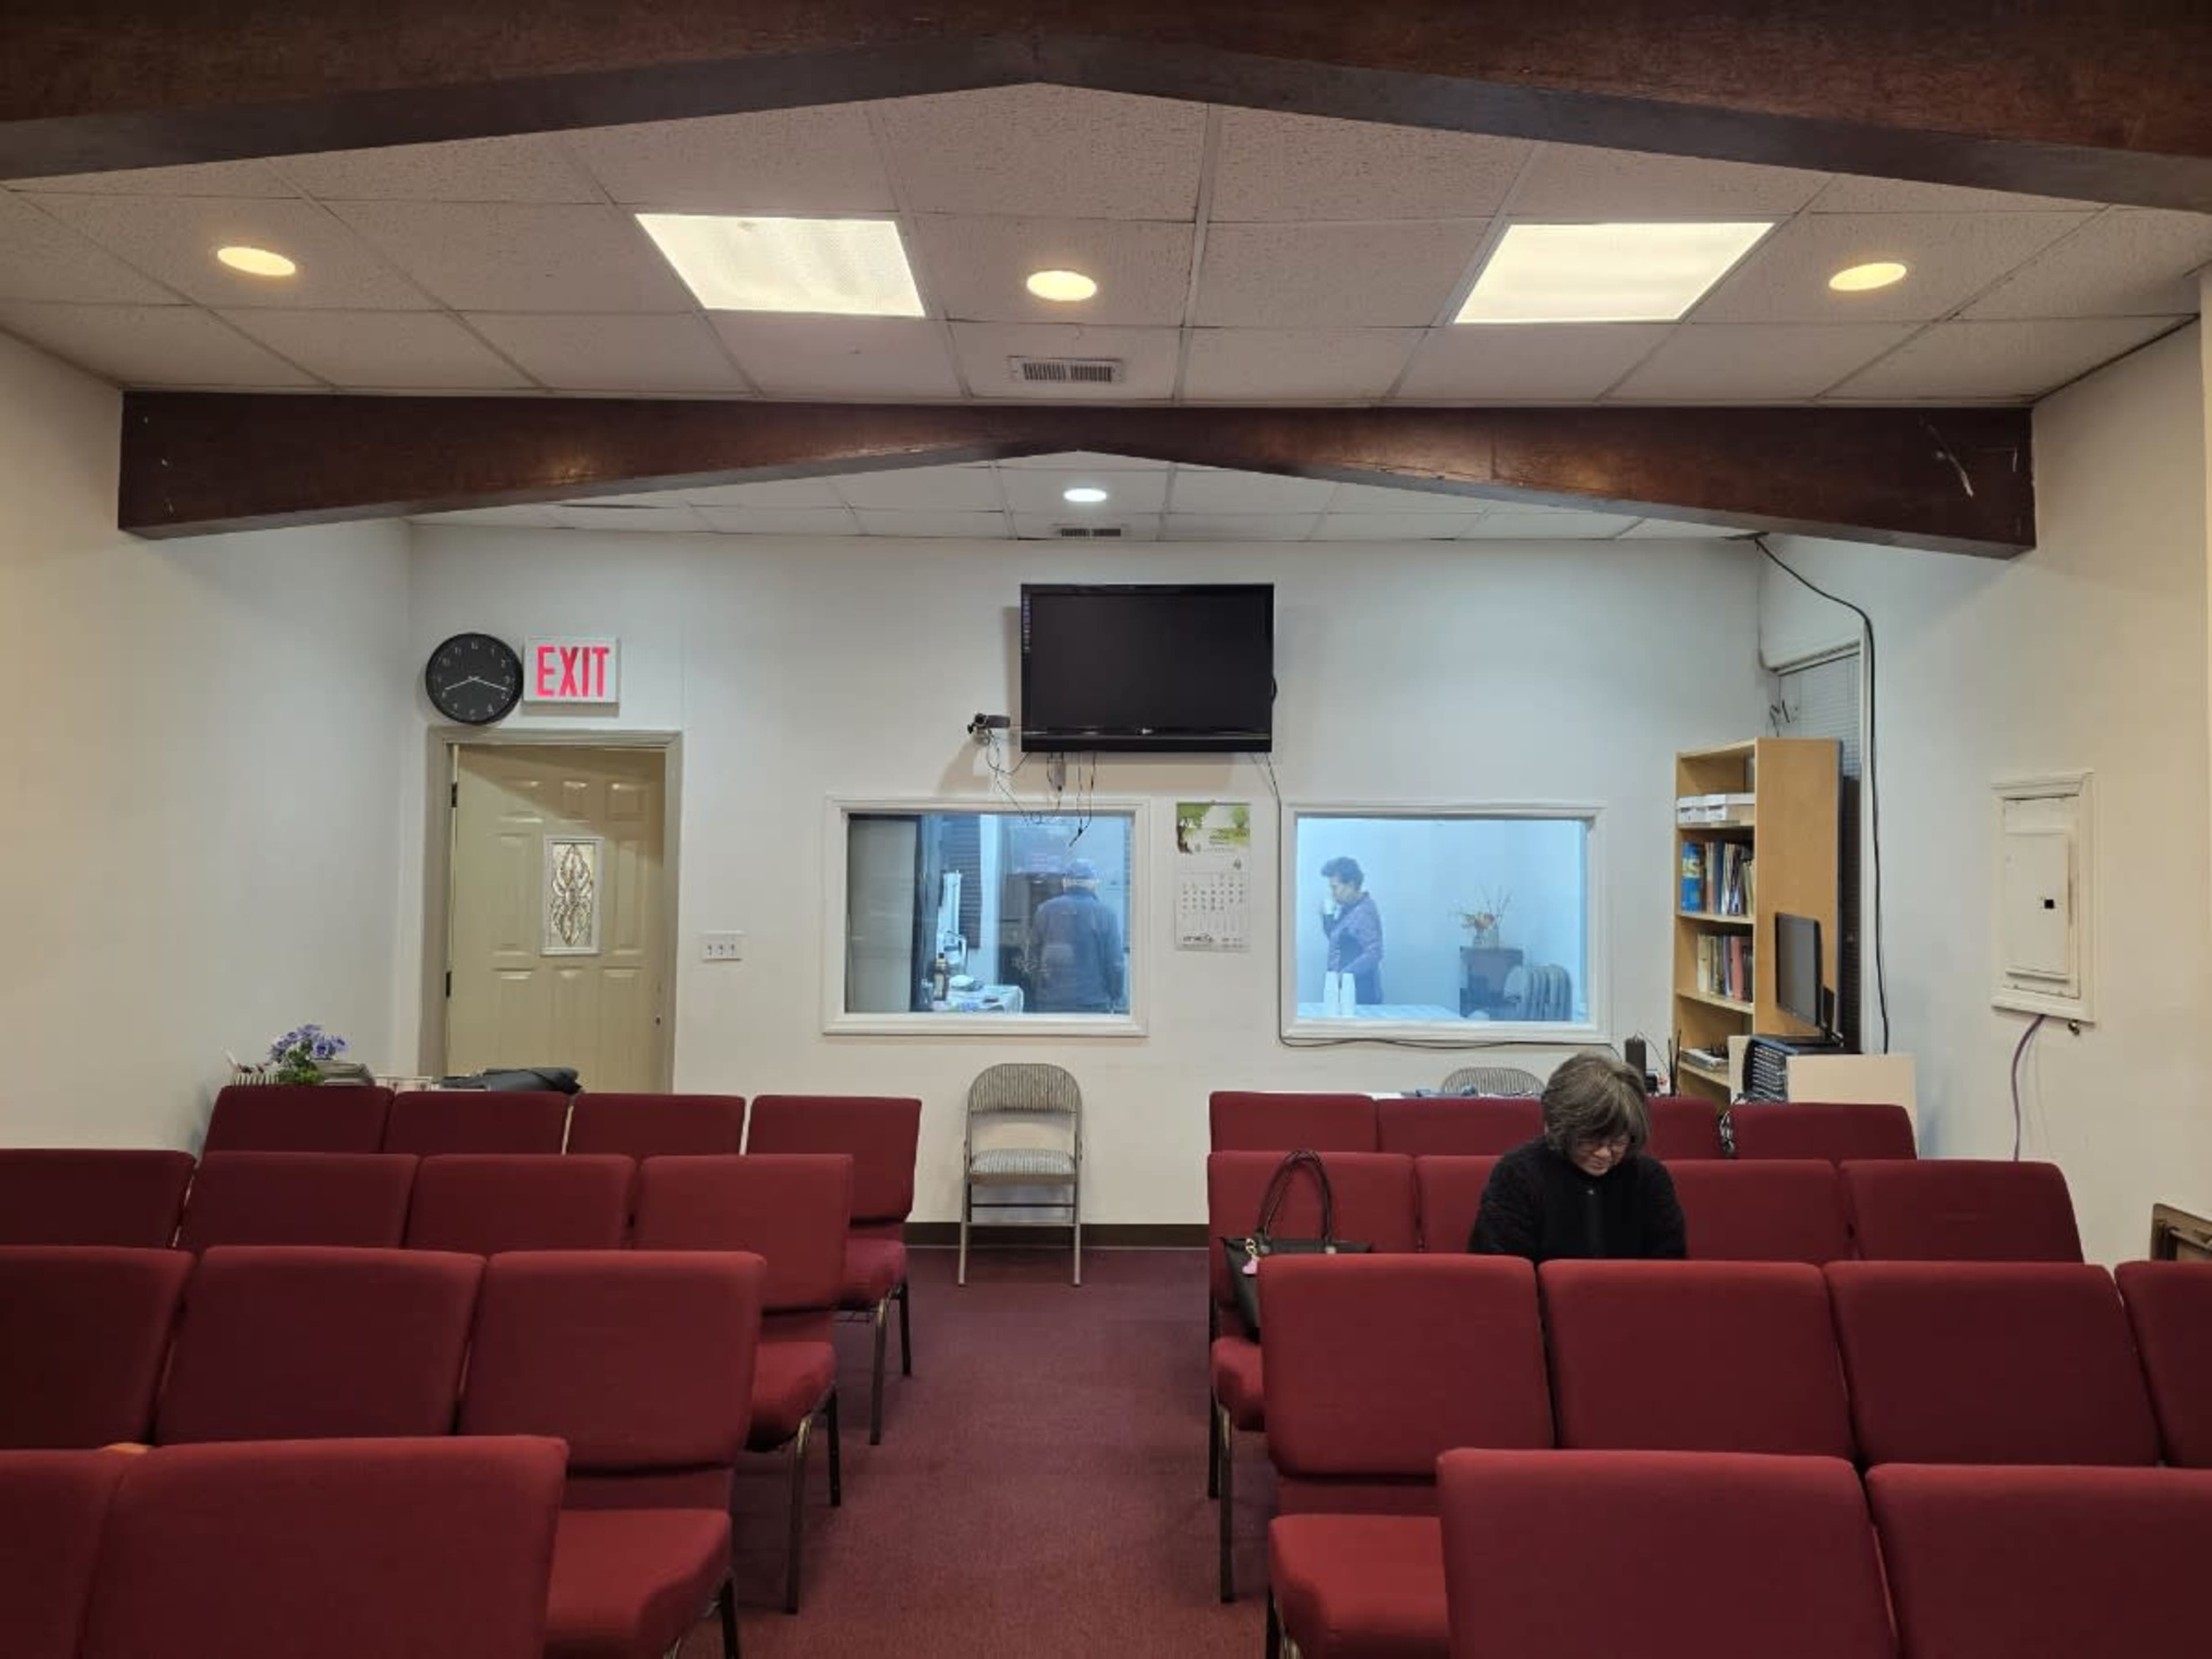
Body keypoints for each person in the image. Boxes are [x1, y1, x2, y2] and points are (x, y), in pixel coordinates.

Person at [1467, 1054, 1687, 1261]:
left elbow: (1670, 1271)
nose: (1604, 1154)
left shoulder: (1650, 1179)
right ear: (1559, 1129)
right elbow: (1502, 1274)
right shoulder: (1517, 1175)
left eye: (1617, 1142)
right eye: (1590, 1141)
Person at [1028, 858, 1125, 1013]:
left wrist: (1041, 989)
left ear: (1065, 883)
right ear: (1094, 884)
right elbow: (1116, 964)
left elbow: (1032, 958)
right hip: (1094, 1004)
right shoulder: (1106, 914)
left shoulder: (1044, 911)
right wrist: (1116, 996)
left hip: (1051, 1003)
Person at [1319, 856, 1384, 1006]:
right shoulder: (1347, 909)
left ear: (1351, 885)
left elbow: (1375, 953)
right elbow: (1338, 942)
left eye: (1335, 887)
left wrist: (1344, 976)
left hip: (1361, 995)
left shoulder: (1364, 912)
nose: (1332, 893)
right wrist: (1327, 918)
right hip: (1346, 992)